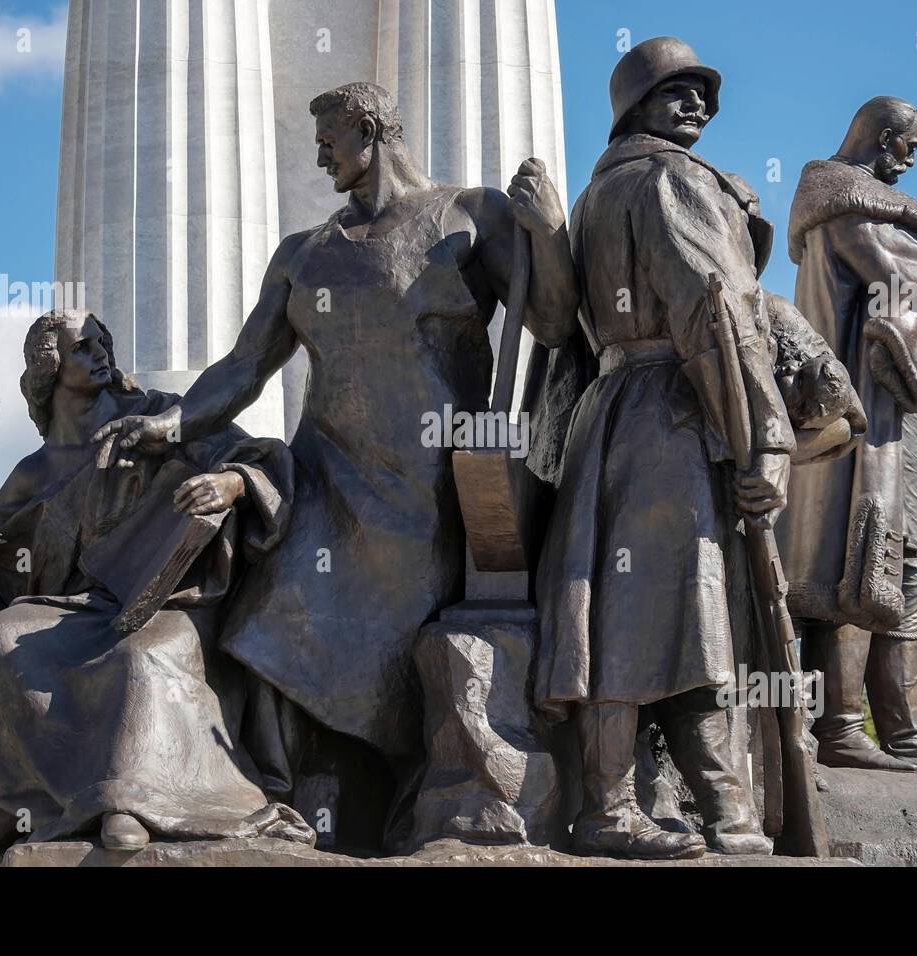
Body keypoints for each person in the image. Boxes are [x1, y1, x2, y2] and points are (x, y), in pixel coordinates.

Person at [92, 83, 579, 849]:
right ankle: (276, 799)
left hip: (429, 490)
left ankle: (372, 801)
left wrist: (548, 232)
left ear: (370, 127)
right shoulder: (304, 253)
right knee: (268, 616)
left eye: (329, 141)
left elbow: (551, 319)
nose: (320, 157)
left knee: (390, 649)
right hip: (325, 481)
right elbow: (242, 370)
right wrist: (171, 421)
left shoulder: (471, 215)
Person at [0, 310, 314, 859]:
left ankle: (133, 806)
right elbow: (1, 567)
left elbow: (261, 459)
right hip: (73, 609)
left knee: (138, 659)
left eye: (101, 343)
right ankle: (30, 815)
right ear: (50, 369)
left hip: (172, 598)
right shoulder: (33, 473)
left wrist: (230, 484)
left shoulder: (159, 415)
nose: (100, 353)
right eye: (83, 347)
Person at [533, 37, 806, 859]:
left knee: (645, 612)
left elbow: (560, 328)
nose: (697, 107)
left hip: (609, 414)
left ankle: (716, 812)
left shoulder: (593, 196)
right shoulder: (674, 180)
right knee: (679, 608)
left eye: (703, 95)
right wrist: (764, 437)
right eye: (675, 93)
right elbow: (715, 310)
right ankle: (646, 811)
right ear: (632, 106)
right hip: (676, 414)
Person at [777, 97, 917, 778]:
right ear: (886, 138)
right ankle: (847, 729)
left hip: (888, 414)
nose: (915, 157)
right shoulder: (846, 208)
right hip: (865, 417)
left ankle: (905, 736)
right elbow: (902, 287)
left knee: (905, 561)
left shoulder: (845, 208)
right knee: (866, 560)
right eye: (910, 143)